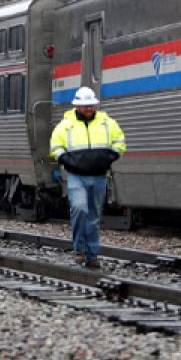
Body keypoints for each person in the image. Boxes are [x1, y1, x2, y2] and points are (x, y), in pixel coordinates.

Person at [49, 86, 126, 268]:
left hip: (99, 176)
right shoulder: (66, 125)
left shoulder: (108, 123)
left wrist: (109, 157)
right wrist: (67, 161)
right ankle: (79, 248)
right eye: (85, 106)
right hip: (76, 176)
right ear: (77, 106)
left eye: (91, 105)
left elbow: (120, 142)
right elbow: (56, 147)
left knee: (93, 217)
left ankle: (92, 255)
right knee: (79, 208)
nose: (88, 109)